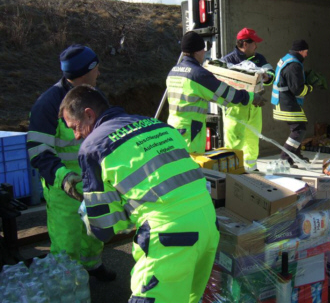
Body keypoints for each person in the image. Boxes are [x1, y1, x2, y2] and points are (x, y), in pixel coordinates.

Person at [59, 85, 220, 303]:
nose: (76, 135)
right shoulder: (158, 125)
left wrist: (87, 203)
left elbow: (103, 230)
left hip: (170, 238)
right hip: (209, 225)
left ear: (89, 114)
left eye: (75, 127)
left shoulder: (93, 147)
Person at [27, 44, 115, 280]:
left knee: (93, 233)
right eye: (96, 68)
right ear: (88, 70)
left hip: (94, 183)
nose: (99, 73)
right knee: (67, 240)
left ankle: (92, 266)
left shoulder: (95, 97)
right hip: (64, 189)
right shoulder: (48, 105)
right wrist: (64, 178)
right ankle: (67, 284)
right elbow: (37, 151)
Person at [167, 31, 265, 154]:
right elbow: (228, 95)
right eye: (203, 49)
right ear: (197, 51)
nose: (204, 52)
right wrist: (251, 97)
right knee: (192, 167)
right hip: (191, 131)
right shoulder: (198, 74)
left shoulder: (174, 71)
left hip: (174, 128)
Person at [221, 27, 275, 171]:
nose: (256, 46)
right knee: (234, 141)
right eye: (254, 43)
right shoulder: (228, 60)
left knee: (252, 139)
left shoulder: (259, 58)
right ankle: (233, 171)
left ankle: (252, 169)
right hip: (236, 108)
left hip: (255, 106)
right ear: (245, 44)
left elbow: (271, 74)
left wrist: (267, 76)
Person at [271, 39, 314, 168]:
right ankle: (284, 159)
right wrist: (310, 87)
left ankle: (295, 155)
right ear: (300, 51)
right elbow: (298, 90)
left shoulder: (287, 58)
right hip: (286, 102)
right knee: (299, 129)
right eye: (306, 52)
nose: (306, 55)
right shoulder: (294, 65)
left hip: (283, 101)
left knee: (298, 127)